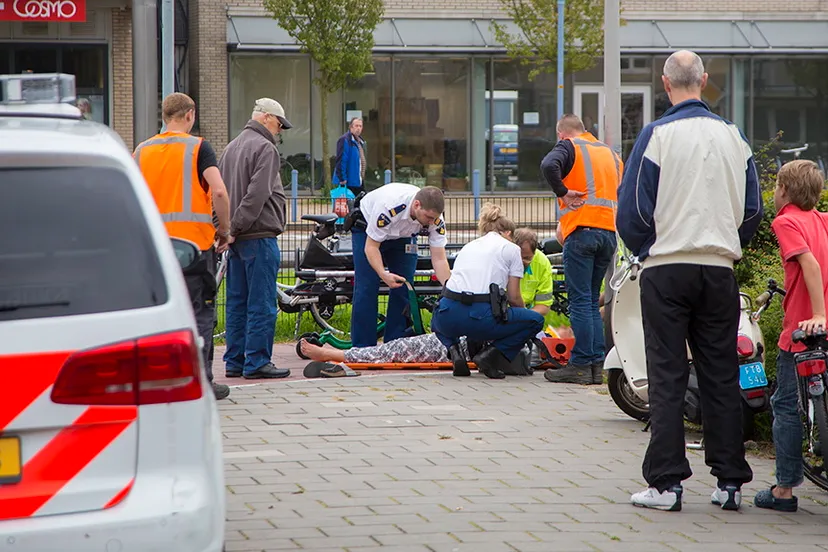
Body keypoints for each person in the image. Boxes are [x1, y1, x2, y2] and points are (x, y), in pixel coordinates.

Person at [617, 50, 763, 512]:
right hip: (718, 268)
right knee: (720, 373)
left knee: (667, 374)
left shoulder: (656, 135)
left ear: (665, 83)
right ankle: (730, 482)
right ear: (705, 79)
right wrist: (725, 241)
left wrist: (651, 247)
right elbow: (753, 209)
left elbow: (632, 211)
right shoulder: (734, 137)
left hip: (666, 266)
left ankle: (665, 484)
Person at [133, 92, 232, 400]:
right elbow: (219, 191)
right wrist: (225, 230)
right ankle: (201, 381)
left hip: (154, 250)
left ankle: (159, 379)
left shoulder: (141, 150)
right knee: (199, 313)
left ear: (165, 116)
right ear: (190, 114)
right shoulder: (198, 147)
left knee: (158, 314)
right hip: (193, 249)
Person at [754, 160, 828, 513]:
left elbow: (810, 264)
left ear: (783, 190)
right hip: (826, 330)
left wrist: (816, 313)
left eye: (775, 186)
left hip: (802, 331)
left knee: (785, 407)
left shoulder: (786, 221)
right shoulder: (822, 220)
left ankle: (784, 491)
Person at [541, 114, 622, 386]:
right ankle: (596, 366)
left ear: (562, 134)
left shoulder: (569, 146)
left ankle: (580, 364)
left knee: (580, 300)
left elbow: (548, 165)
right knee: (589, 301)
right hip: (608, 235)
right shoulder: (611, 155)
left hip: (582, 232)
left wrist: (562, 192)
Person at [218, 98, 291, 380]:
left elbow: (219, 195)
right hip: (258, 236)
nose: (280, 130)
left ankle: (234, 361)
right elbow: (257, 195)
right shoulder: (265, 148)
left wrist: (224, 231)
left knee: (237, 302)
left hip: (236, 240)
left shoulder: (231, 147)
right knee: (261, 303)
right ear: (264, 118)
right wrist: (234, 228)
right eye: (278, 123)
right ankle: (258, 361)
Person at [431, 203, 544, 379]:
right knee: (535, 321)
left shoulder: (469, 246)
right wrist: (522, 319)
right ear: (508, 233)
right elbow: (514, 298)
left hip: (445, 317)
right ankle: (489, 355)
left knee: (440, 317)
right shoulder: (512, 249)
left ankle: (454, 350)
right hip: (480, 318)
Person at [350, 183, 451, 348]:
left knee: (404, 286)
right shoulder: (389, 207)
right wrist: (383, 273)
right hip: (368, 231)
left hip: (403, 236)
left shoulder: (435, 220)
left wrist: (449, 288)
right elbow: (371, 247)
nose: (431, 222)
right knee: (367, 287)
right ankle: (362, 346)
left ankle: (396, 343)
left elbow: (439, 258)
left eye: (434, 218)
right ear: (417, 205)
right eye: (428, 217)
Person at [333, 117, 367, 195]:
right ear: (351, 127)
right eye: (356, 126)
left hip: (358, 180)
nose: (358, 128)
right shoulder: (345, 140)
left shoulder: (360, 142)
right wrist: (342, 179)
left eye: (360, 126)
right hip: (349, 182)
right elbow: (341, 160)